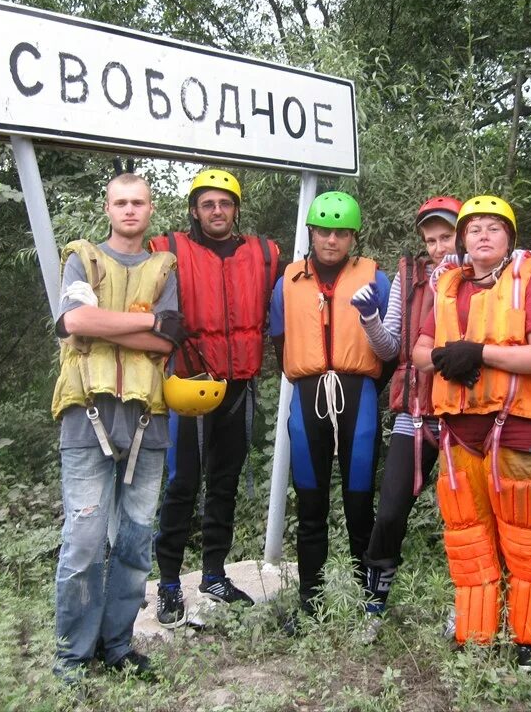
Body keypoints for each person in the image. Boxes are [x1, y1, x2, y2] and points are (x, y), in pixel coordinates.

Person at [412, 195, 531, 670]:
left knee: (520, 537)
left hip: (519, 427)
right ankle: (476, 634)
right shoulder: (448, 287)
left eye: (493, 228)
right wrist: (445, 358)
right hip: (460, 431)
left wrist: (479, 353)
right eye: (474, 227)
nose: (482, 235)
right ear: (462, 239)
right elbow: (419, 353)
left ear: (510, 239)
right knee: (467, 536)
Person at [52, 171, 187, 682]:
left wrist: (127, 325)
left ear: (151, 209)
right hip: (87, 418)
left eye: (139, 203)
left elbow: (167, 344)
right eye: (121, 202)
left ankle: (117, 647)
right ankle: (71, 659)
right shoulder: (81, 258)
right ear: (107, 208)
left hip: (147, 423)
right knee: (85, 542)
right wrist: (147, 322)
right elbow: (74, 323)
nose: (130, 210)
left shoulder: (162, 268)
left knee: (133, 542)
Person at [149, 168, 280, 628]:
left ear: (236, 209)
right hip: (189, 385)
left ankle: (213, 574)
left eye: (225, 203)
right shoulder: (168, 251)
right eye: (208, 204)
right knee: (183, 484)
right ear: (194, 210)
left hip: (239, 385)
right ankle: (167, 582)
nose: (217, 211)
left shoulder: (264, 254)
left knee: (224, 482)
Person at [269, 191, 392, 625]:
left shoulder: (377, 278)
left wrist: (368, 381)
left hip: (358, 394)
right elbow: (280, 342)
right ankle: (311, 603)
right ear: (311, 233)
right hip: (308, 396)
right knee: (311, 503)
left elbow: (391, 346)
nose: (331, 240)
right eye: (324, 231)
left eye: (341, 232)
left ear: (353, 237)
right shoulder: (289, 281)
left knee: (360, 503)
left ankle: (370, 601)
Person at [349, 196, 462, 620]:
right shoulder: (408, 276)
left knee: (464, 515)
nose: (437, 248)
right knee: (392, 507)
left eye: (446, 237)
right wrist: (369, 319)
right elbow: (392, 347)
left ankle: (468, 605)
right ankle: (375, 602)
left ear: (464, 234)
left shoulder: (484, 277)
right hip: (414, 411)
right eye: (430, 240)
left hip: (464, 417)